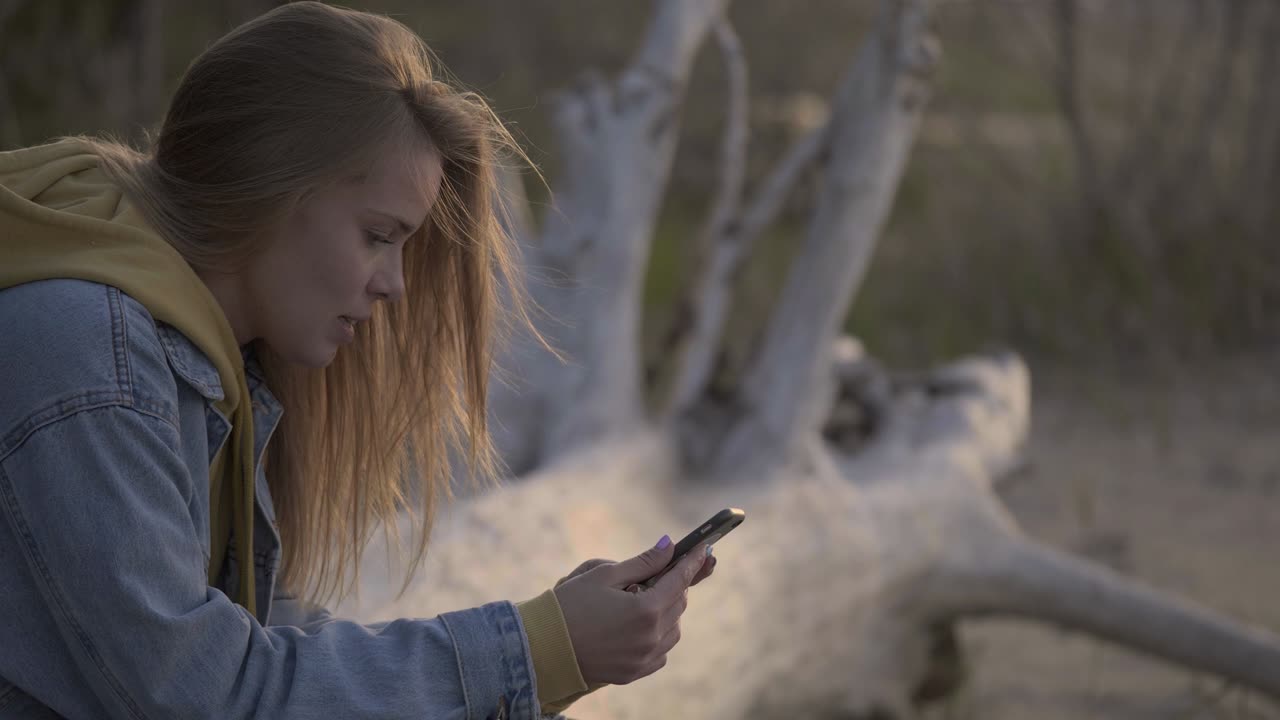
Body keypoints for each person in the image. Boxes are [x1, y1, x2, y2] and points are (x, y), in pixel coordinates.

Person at [0, 3, 716, 718]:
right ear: (268, 183)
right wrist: (537, 650)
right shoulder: (88, 356)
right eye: (378, 235)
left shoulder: (210, 365)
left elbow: (269, 651)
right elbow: (210, 696)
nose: (395, 284)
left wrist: (556, 652)